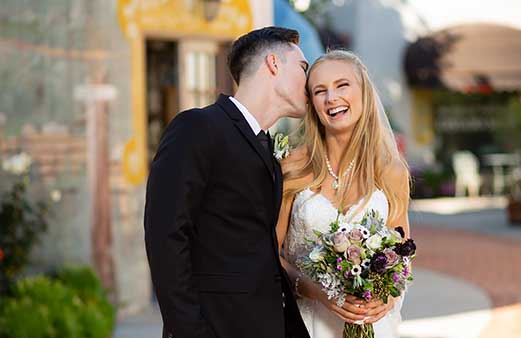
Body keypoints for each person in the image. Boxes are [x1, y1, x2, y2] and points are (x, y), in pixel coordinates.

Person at [144, 26, 311, 338]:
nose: (309, 80)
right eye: (303, 67)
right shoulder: (197, 127)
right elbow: (165, 235)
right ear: (273, 63)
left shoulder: (268, 148)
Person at [276, 50, 411, 338]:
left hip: (373, 326)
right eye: (320, 91)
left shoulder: (391, 172)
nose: (331, 98)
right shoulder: (292, 168)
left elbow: (402, 254)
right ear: (312, 103)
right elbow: (269, 254)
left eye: (342, 85)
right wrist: (314, 290)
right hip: (307, 324)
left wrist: (387, 297)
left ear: (364, 92)